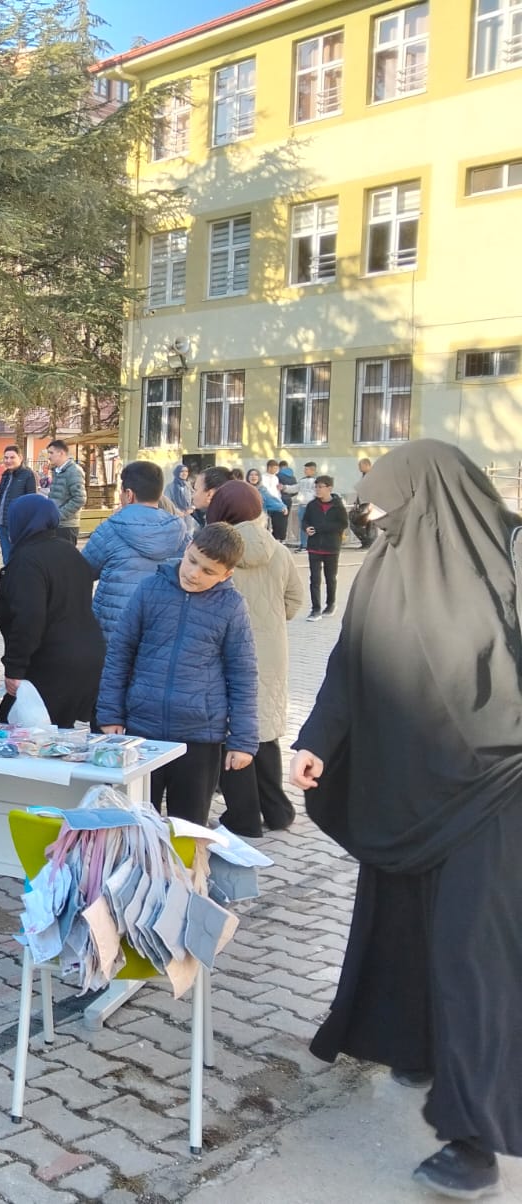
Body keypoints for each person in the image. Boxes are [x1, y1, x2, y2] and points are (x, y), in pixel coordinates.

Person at [291, 442, 522, 1200]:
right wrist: (318, 741)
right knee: (401, 935)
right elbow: (350, 665)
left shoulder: (513, 555)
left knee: (472, 962)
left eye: (390, 511)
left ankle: (474, 1136)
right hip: (404, 792)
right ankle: (413, 1045)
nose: (377, 525)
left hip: (496, 793)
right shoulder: (388, 567)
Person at [97, 522, 258, 825]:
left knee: (188, 828)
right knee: (134, 823)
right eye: (193, 560)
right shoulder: (149, 589)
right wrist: (110, 714)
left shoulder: (232, 606)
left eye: (209, 571)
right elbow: (120, 652)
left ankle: (185, 874)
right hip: (141, 732)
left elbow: (243, 675)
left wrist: (242, 740)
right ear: (186, 549)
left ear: (227, 574)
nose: (194, 573)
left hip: (199, 738)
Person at [204, 482, 304, 837]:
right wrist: (271, 621)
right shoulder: (278, 549)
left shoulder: (215, 548)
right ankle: (278, 810)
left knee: (234, 732)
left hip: (229, 651)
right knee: (264, 731)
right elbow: (295, 601)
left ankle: (243, 816)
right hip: (273, 650)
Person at [0, 495, 106, 728]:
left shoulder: (27, 561)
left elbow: (29, 619)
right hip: (87, 658)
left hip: (50, 665)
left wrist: (15, 668)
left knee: (11, 735)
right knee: (55, 736)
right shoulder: (69, 552)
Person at [83, 460, 192, 641]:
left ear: (129, 494)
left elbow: (83, 570)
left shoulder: (110, 529)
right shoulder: (180, 532)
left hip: (114, 627)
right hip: (164, 625)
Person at [301, 475, 349, 619]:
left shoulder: (338, 506)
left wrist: (322, 528)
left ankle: (331, 604)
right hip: (314, 547)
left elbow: (343, 524)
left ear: (329, 488)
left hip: (331, 547)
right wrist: (307, 528)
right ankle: (315, 609)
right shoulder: (312, 505)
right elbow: (305, 521)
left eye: (320, 487)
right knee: (315, 579)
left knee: (330, 577)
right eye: (316, 487)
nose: (317, 490)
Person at [0, 447, 37, 559]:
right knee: (7, 558)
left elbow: (32, 502)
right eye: (6, 457)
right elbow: (0, 499)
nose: (8, 460)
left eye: (12, 457)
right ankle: (9, 577)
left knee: (19, 558)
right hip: (2, 524)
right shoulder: (5, 475)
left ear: (20, 458)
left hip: (17, 525)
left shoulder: (27, 475)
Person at [45, 440, 87, 545]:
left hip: (67, 526)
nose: (49, 456)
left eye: (51, 453)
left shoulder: (74, 471)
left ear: (61, 453)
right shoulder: (57, 471)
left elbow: (79, 499)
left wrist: (58, 515)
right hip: (56, 524)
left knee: (66, 560)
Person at [294, 462, 319, 550]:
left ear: (313, 470)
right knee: (303, 525)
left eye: (307, 469)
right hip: (302, 505)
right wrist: (284, 487)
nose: (305, 471)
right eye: (305, 469)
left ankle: (312, 544)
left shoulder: (317, 481)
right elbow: (295, 488)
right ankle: (303, 544)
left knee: (312, 525)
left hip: (312, 506)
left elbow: (318, 493)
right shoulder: (302, 480)